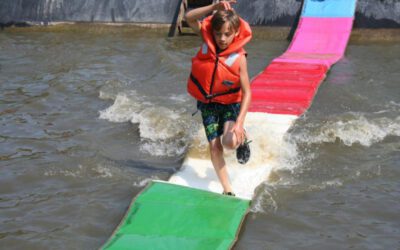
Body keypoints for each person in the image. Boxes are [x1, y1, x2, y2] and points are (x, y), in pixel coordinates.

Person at [185, 0, 252, 196]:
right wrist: (214, 8)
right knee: (215, 148)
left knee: (229, 143)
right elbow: (189, 17)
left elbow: (248, 92)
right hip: (208, 105)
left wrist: (239, 123)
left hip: (231, 104)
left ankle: (242, 137)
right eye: (218, 33)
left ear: (235, 33)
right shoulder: (207, 42)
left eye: (227, 34)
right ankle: (227, 190)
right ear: (212, 32)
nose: (222, 38)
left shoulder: (239, 59)